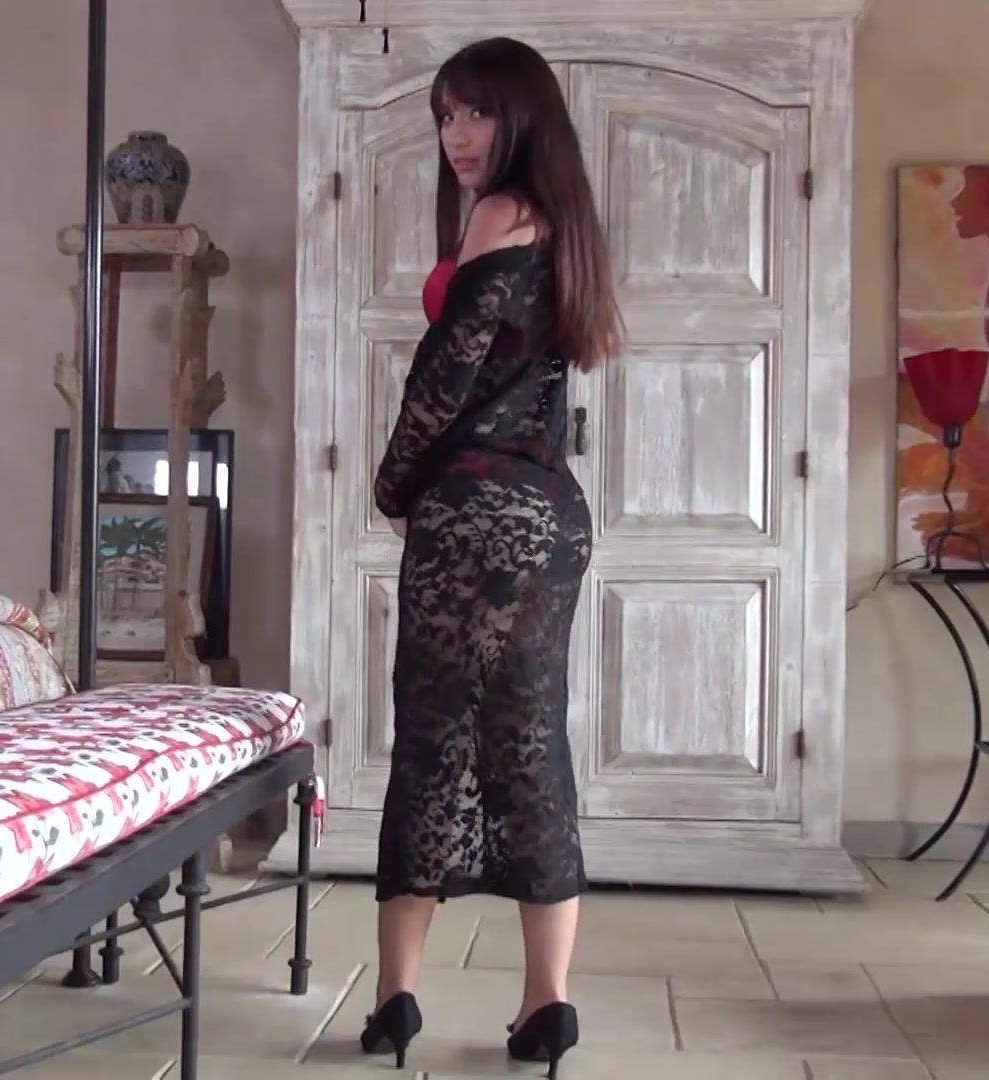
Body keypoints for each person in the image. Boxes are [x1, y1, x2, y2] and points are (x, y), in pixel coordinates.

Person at [354, 35, 616, 1077]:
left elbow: (444, 377)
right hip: (552, 514)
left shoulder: (500, 212)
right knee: (528, 742)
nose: (457, 135)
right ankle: (548, 1004)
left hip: (475, 512)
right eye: (444, 117)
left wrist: (392, 486)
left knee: (433, 742)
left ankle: (396, 998)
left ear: (523, 116)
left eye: (475, 112)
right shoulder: (565, 224)